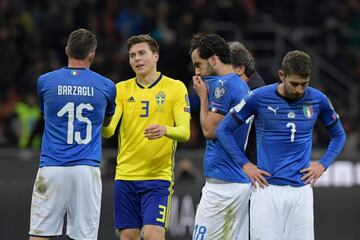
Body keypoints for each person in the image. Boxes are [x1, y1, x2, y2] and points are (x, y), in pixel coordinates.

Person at [216, 50, 346, 240]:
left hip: (301, 192)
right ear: (281, 75)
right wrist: (245, 165)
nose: (299, 90)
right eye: (294, 84)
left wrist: (323, 164)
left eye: (304, 84)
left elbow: (339, 135)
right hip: (267, 190)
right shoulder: (258, 97)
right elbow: (223, 130)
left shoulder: (318, 100)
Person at [29, 28, 116, 240]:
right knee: (84, 237)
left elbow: (46, 115)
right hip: (86, 169)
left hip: (52, 166)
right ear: (92, 55)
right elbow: (107, 121)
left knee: (39, 234)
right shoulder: (107, 86)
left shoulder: (45, 81)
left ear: (67, 49)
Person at [102, 34, 191, 240]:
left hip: (157, 178)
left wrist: (165, 129)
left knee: (153, 235)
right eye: (132, 55)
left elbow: (185, 133)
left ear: (156, 56)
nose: (136, 59)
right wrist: (100, 116)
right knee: (128, 237)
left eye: (142, 53)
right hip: (125, 176)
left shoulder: (175, 87)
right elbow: (109, 131)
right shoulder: (121, 89)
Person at [190, 33, 256, 240]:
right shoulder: (240, 84)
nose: (197, 71)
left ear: (214, 60)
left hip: (222, 187)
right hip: (235, 183)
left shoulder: (223, 85)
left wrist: (202, 97)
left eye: (199, 64)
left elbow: (210, 131)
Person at [228, 40, 266, 164]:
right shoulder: (250, 86)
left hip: (251, 165)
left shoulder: (253, 92)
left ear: (239, 69)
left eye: (225, 66)